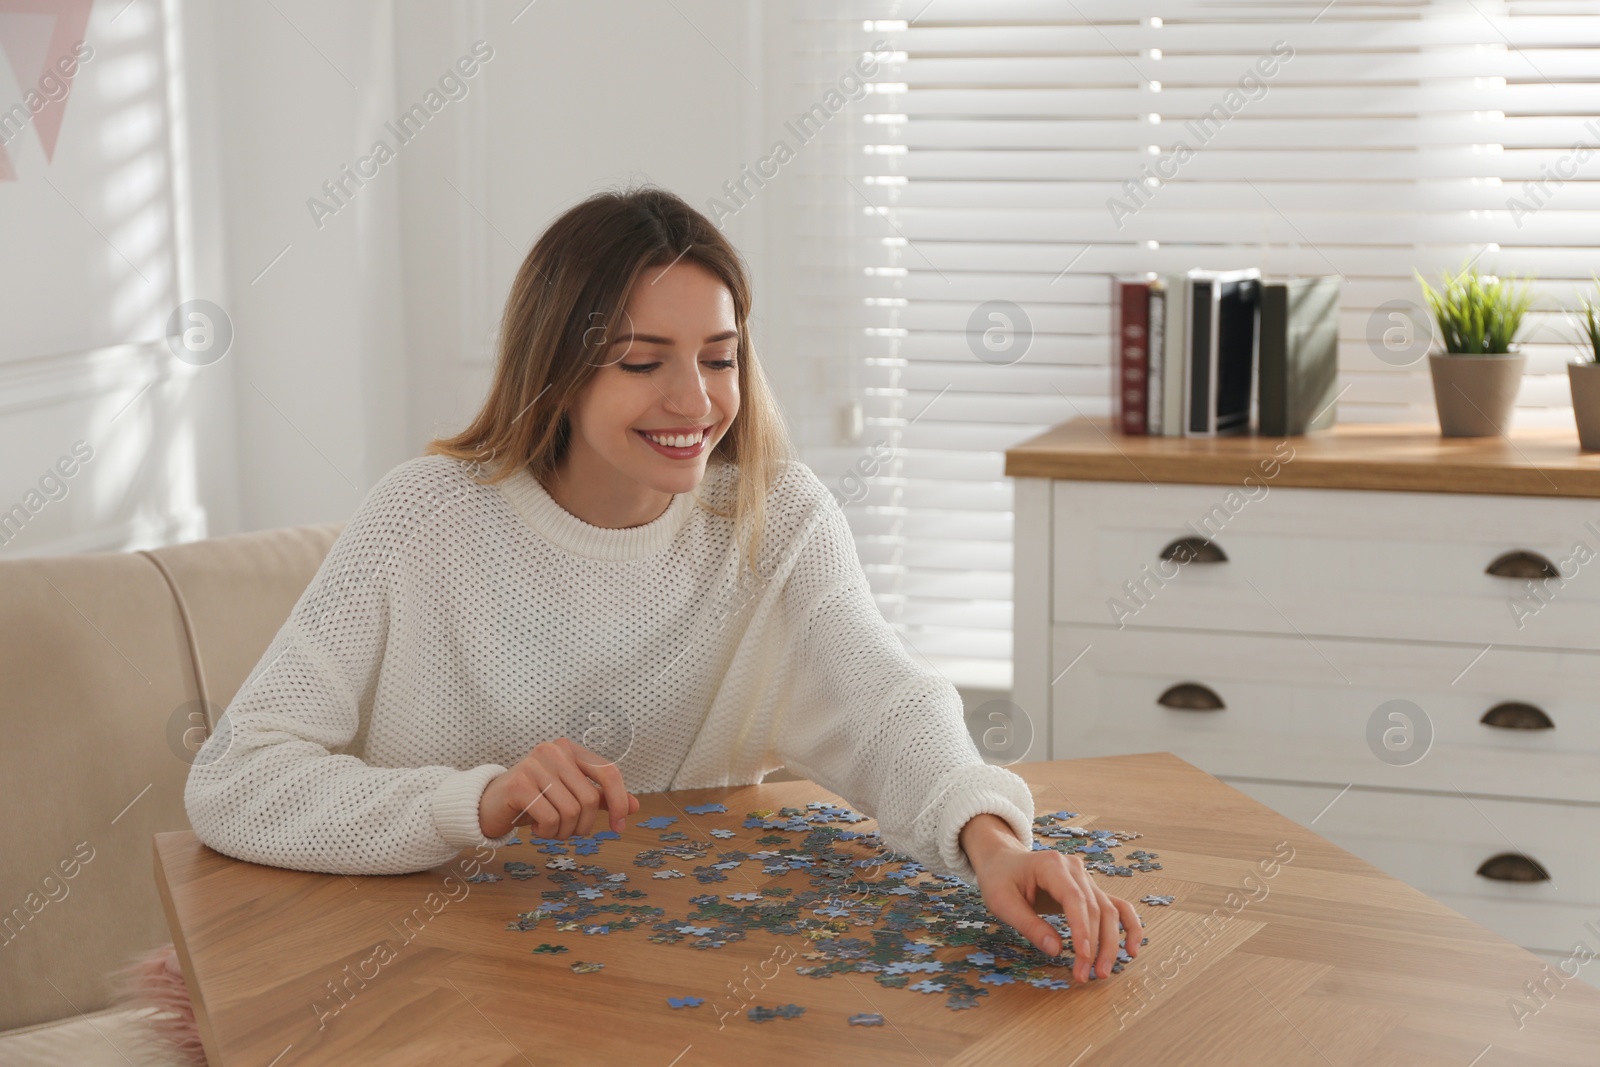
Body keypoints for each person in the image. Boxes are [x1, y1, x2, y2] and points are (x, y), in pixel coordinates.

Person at [184, 185, 1142, 986]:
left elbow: (888, 702)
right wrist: (473, 802)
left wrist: (994, 838)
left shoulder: (776, 517)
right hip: (440, 981)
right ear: (556, 371)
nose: (696, 400)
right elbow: (236, 779)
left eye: (719, 359)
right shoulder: (422, 519)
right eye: (644, 362)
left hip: (685, 985)